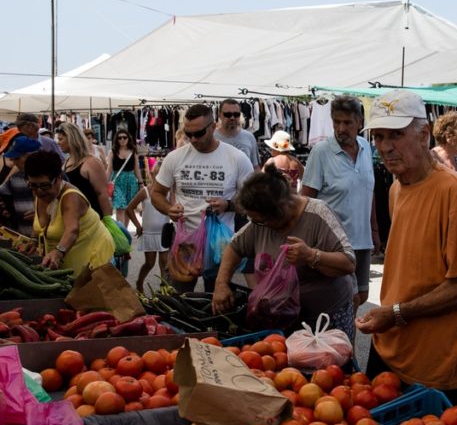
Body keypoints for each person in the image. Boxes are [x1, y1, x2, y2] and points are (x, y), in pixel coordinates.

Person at [354, 91, 457, 414]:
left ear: (424, 135)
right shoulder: (395, 188)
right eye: (379, 137)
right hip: (389, 349)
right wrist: (391, 316)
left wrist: (398, 312)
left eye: (397, 135)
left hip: (438, 365)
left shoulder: (453, 190)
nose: (386, 146)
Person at [212, 165, 357, 339]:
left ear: (283, 207)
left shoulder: (318, 213)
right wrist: (221, 284)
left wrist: (311, 256)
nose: (259, 225)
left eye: (263, 221)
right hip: (280, 318)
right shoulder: (260, 222)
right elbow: (234, 246)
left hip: (325, 318)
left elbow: (348, 263)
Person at [151, 104, 254, 292]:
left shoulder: (237, 158)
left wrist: (228, 205)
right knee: (179, 298)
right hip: (184, 242)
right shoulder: (174, 158)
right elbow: (156, 193)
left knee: (217, 300)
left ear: (213, 127)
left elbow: (254, 201)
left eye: (198, 134)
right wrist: (168, 209)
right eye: (188, 134)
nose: (193, 139)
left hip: (220, 244)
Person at [301, 95, 379, 306]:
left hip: (361, 242)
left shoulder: (364, 148)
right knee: (344, 299)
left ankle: (345, 339)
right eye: (337, 122)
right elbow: (306, 200)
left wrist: (374, 231)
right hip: (333, 245)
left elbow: (368, 191)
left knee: (360, 297)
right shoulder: (321, 152)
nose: (341, 128)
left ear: (359, 123)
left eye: (347, 122)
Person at [25, 150, 114, 275]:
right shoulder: (39, 193)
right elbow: (42, 223)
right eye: (33, 185)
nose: (39, 191)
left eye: (44, 185)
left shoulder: (71, 197)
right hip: (65, 262)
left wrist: (58, 251)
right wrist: (33, 240)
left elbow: (72, 230)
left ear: (58, 179)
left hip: (92, 258)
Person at [125, 159, 171, 295]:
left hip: (163, 233)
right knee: (150, 263)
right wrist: (138, 226)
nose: (159, 179)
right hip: (149, 233)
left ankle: (164, 287)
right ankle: (139, 281)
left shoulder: (169, 192)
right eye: (157, 175)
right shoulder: (145, 191)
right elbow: (130, 208)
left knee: (164, 262)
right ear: (151, 175)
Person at [56, 122, 114, 219]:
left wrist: (107, 221)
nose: (58, 142)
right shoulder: (66, 163)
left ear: (71, 139)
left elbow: (102, 194)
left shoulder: (91, 162)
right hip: (73, 217)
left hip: (93, 219)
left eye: (60, 139)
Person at [108, 129, 143, 225]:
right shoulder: (112, 152)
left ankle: (125, 232)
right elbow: (109, 169)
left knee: (128, 207)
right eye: (119, 138)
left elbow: (136, 169)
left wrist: (141, 183)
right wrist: (105, 182)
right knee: (120, 207)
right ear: (116, 139)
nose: (122, 140)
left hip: (131, 181)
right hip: (117, 181)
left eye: (124, 137)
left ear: (128, 138)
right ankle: (122, 232)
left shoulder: (133, 151)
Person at [215, 98, 261, 170]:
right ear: (220, 115)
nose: (232, 118)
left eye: (236, 114)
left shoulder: (249, 137)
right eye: (228, 114)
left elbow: (255, 167)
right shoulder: (212, 137)